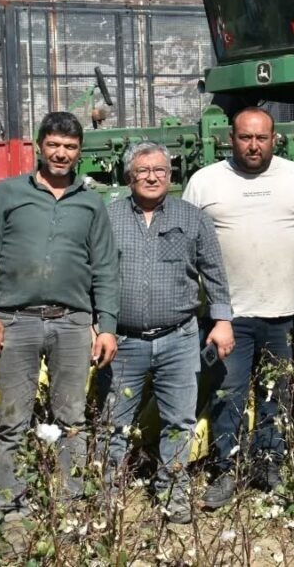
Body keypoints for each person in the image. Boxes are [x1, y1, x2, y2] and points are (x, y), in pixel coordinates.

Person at [0, 112, 119, 516]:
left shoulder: (90, 203)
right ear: (40, 146)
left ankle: (71, 505)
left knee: (72, 417)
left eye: (70, 147)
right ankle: (11, 503)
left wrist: (105, 325)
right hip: (17, 320)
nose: (61, 153)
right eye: (54, 145)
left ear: (80, 152)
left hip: (72, 322)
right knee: (13, 418)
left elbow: (105, 267)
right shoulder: (9, 193)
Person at [184, 107, 294, 506]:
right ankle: (226, 470)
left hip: (284, 314)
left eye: (261, 138)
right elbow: (187, 247)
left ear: (274, 138)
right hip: (229, 317)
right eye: (245, 137)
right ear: (231, 139)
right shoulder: (205, 182)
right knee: (229, 392)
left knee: (276, 393)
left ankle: (269, 464)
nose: (254, 145)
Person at [100, 141, 234, 523]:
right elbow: (95, 275)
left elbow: (215, 274)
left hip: (179, 338)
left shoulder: (192, 218)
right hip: (124, 340)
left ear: (171, 175)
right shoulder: (109, 218)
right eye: (143, 170)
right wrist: (99, 324)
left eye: (160, 170)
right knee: (115, 422)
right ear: (129, 177)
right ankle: (108, 498)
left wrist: (222, 319)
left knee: (179, 421)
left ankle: (173, 494)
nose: (152, 176)